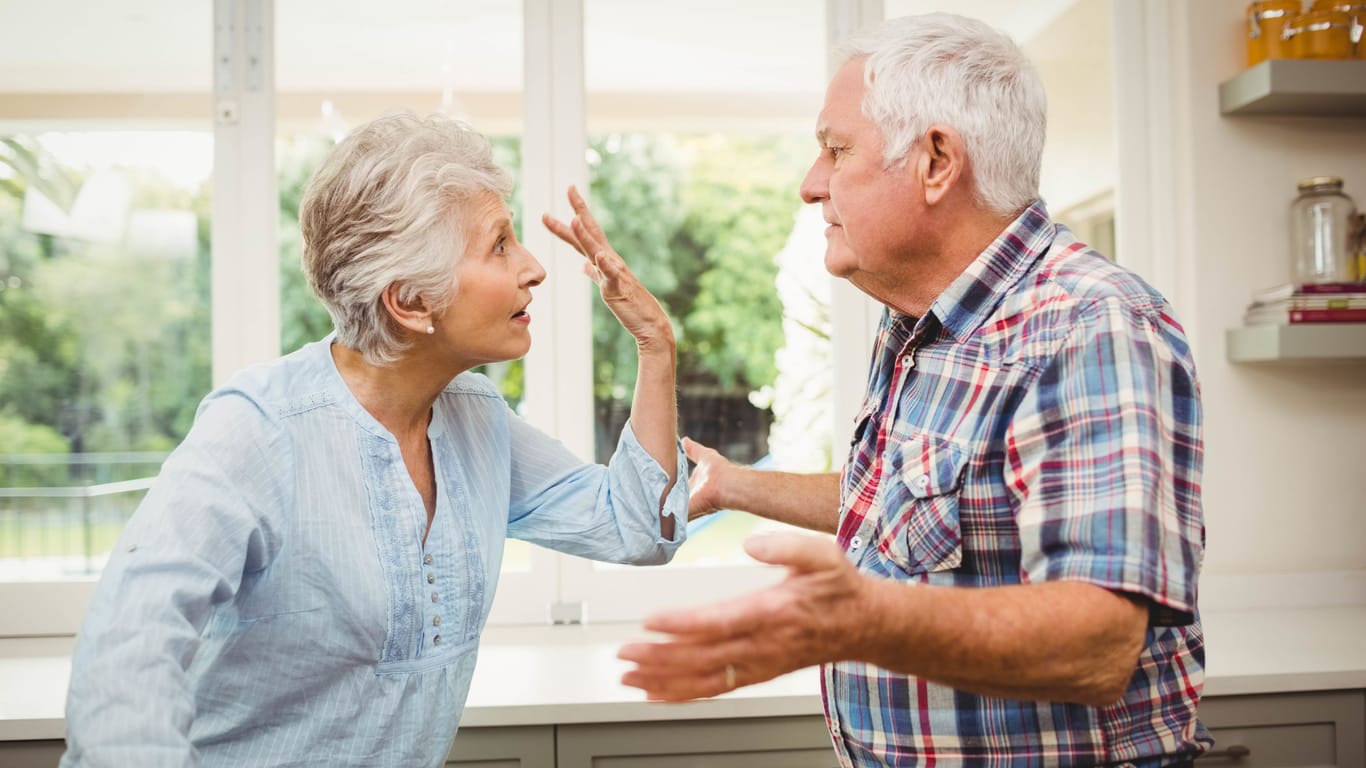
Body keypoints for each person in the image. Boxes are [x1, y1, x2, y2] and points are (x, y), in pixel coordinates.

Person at [618, 13, 1209, 767]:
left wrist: (861, 621)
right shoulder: (919, 327)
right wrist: (734, 485)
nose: (810, 184)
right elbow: (911, 507)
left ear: (936, 162)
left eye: (836, 150)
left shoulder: (1089, 326)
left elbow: (1098, 645)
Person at [60, 111, 687, 767]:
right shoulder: (260, 428)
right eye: (500, 244)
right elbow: (129, 650)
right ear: (411, 302)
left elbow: (638, 527)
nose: (533, 268)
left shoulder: (476, 417)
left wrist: (655, 345)